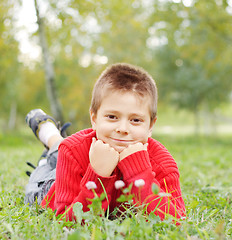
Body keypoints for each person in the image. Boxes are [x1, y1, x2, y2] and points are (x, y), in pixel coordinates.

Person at [24, 63, 185, 221]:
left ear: (150, 126)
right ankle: (49, 133)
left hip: (82, 154)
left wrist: (139, 172)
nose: (123, 129)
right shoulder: (72, 150)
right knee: (45, 177)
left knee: (63, 149)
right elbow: (66, 221)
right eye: (112, 117)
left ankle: (52, 135)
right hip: (58, 182)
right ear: (94, 118)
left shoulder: (162, 162)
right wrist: (98, 174)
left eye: (135, 120)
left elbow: (176, 219)